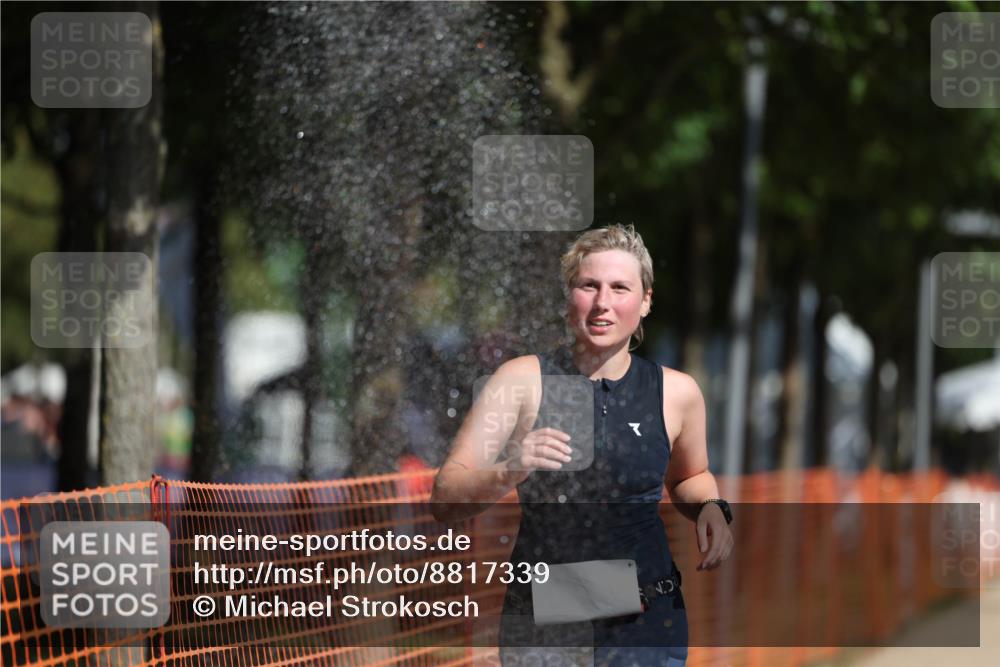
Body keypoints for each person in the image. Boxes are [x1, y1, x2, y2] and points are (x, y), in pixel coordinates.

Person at [431, 224, 734, 666]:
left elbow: (690, 475)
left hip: (646, 619)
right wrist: (511, 467)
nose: (602, 303)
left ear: (646, 300)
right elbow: (445, 499)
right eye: (588, 286)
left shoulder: (676, 392)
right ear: (569, 296)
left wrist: (710, 506)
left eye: (620, 288)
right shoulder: (520, 381)